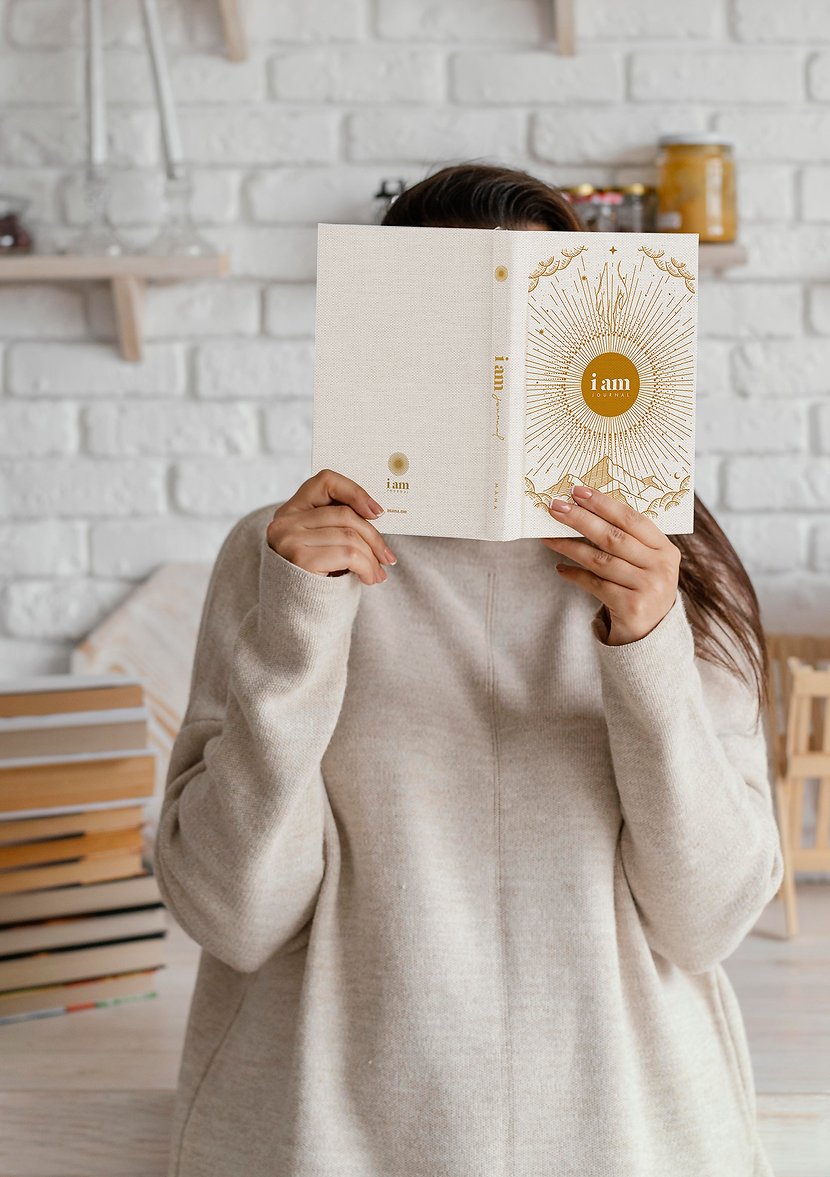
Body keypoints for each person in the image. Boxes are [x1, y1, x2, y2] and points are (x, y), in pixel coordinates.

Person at [155, 163, 783, 1177]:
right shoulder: (278, 560)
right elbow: (233, 910)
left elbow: (705, 916)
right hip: (328, 1137)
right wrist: (299, 631)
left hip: (626, 1139)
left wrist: (646, 643)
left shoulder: (669, 570)